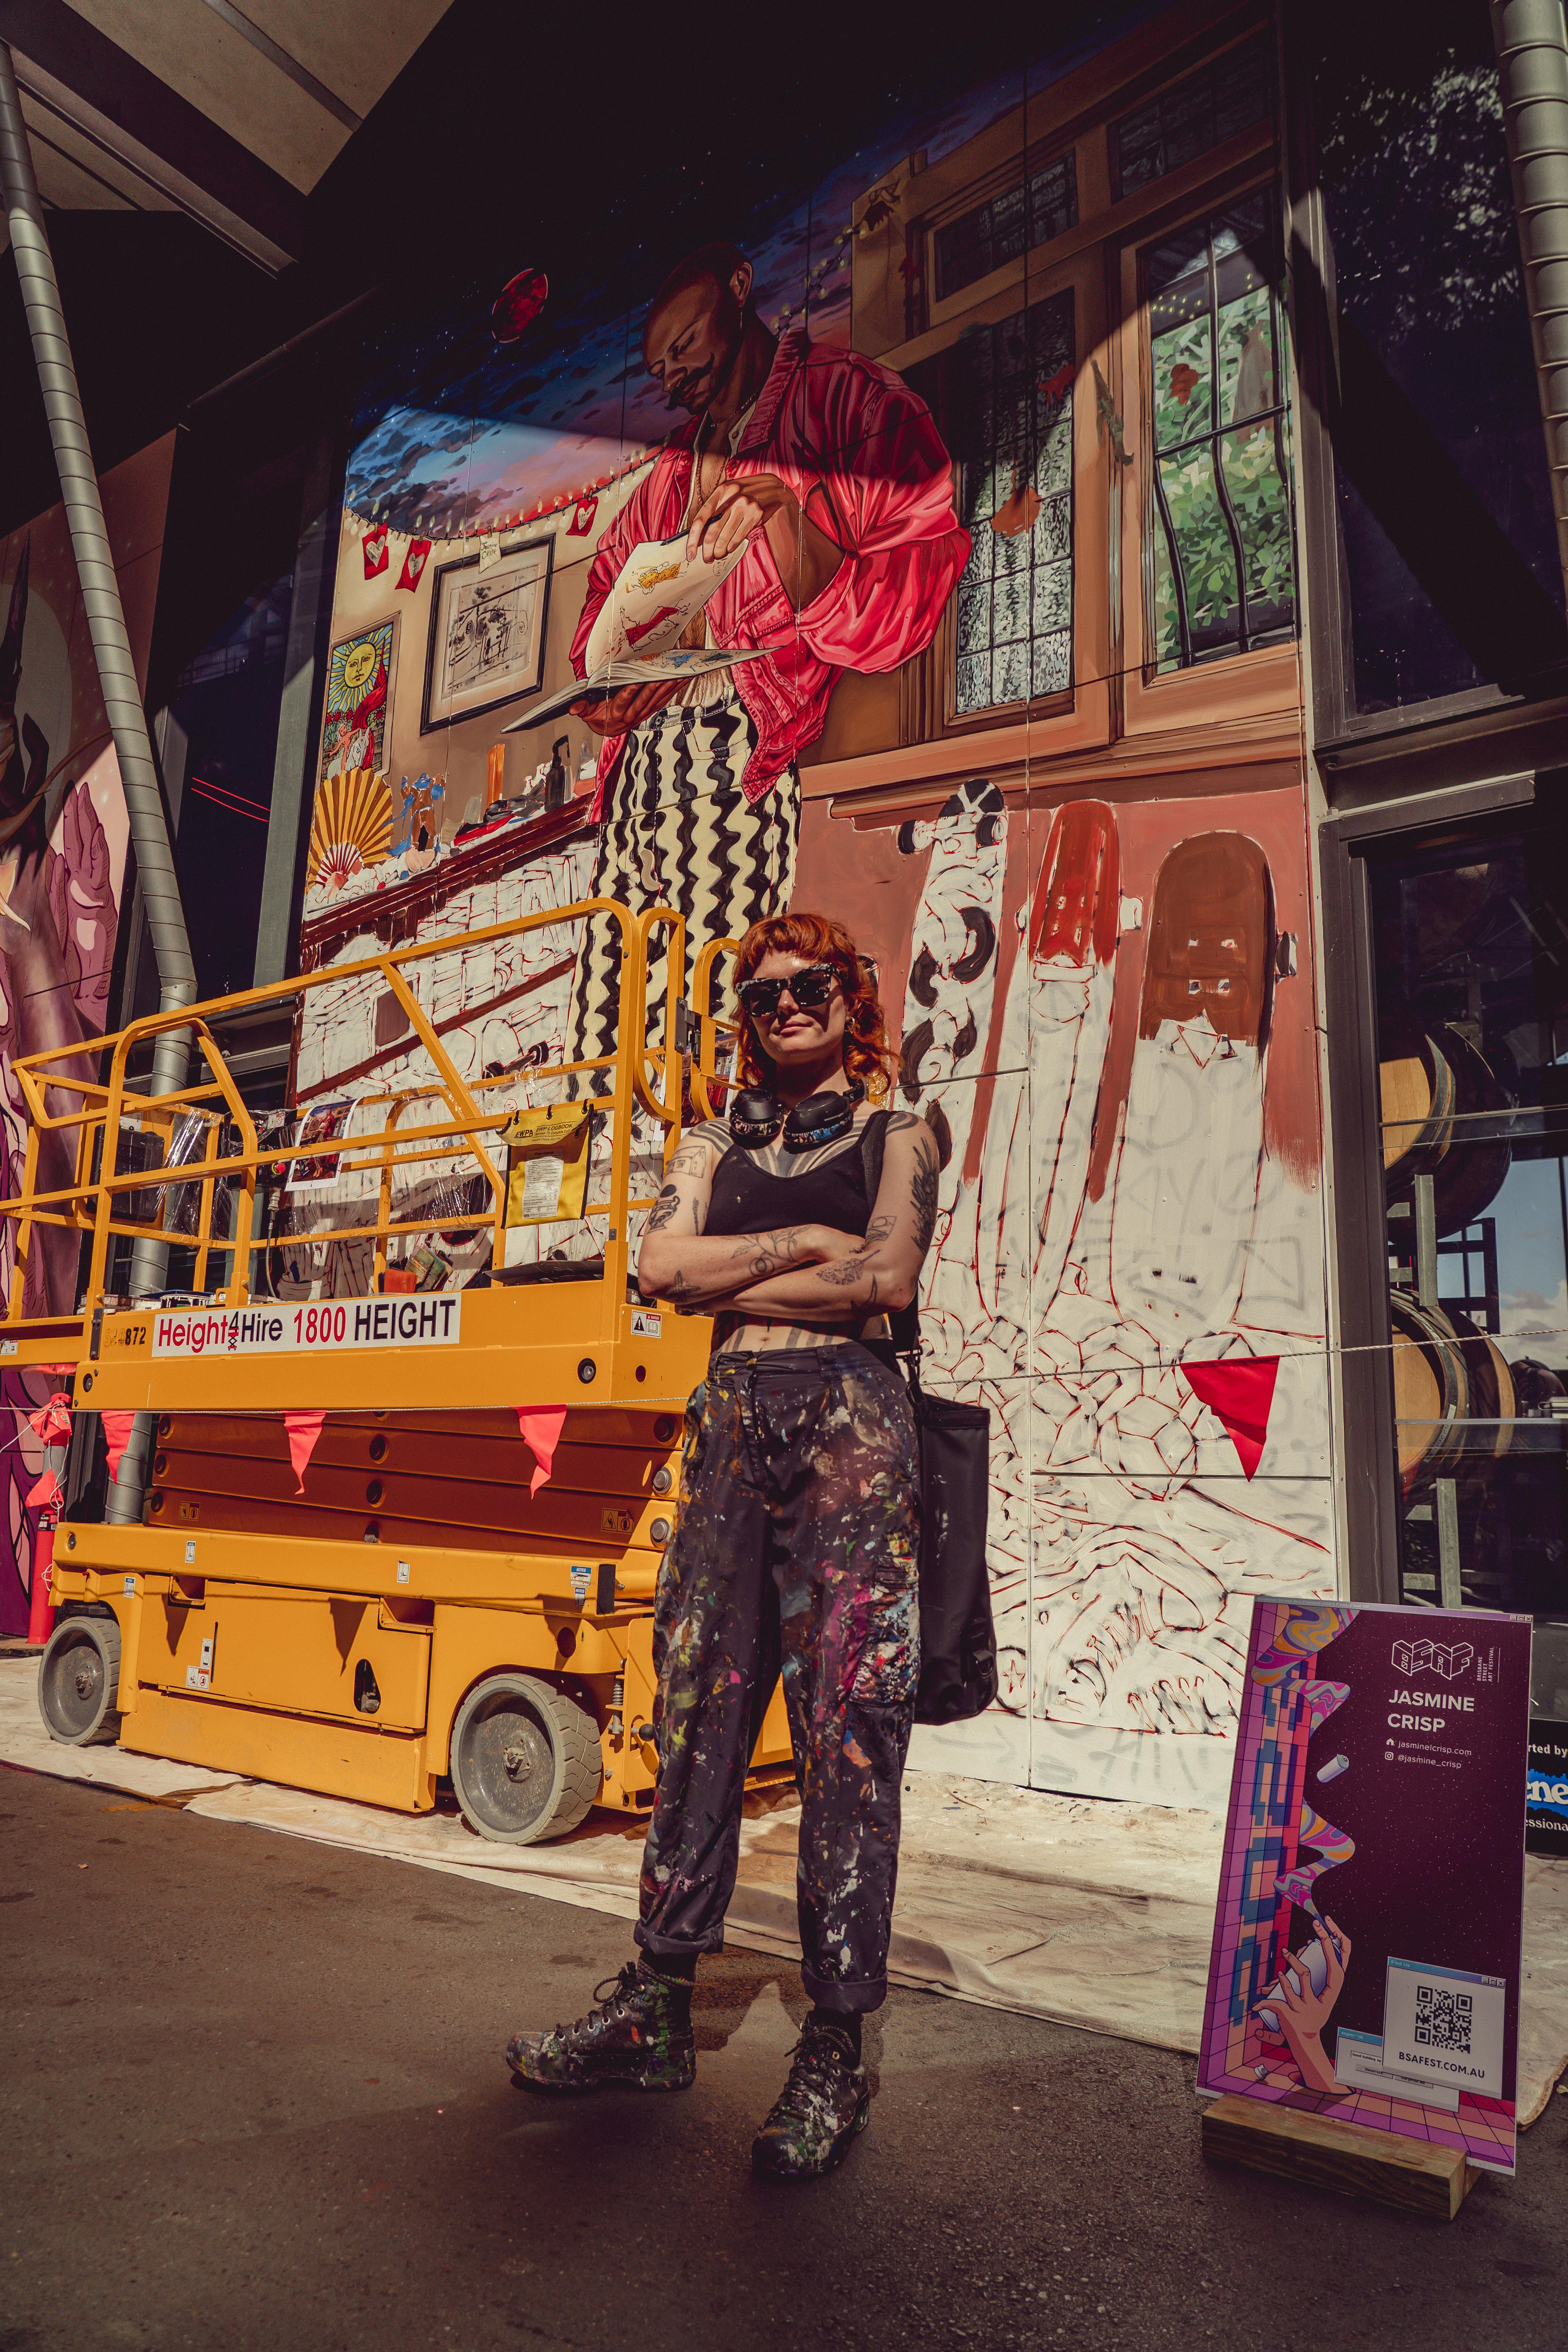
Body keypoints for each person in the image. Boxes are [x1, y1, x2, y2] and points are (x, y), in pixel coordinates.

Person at [507, 912, 940, 2180]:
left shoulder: (899, 1135)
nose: (787, 1006)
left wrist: (742, 1277)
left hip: (854, 1438)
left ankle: (836, 2043)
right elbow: (655, 1265)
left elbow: (891, 1284)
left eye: (810, 987)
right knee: (694, 1713)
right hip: (731, 1426)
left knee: (848, 1733)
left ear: (849, 1001)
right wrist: (814, 1251)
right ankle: (652, 2009)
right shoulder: (708, 1139)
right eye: (763, 996)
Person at [563, 239, 967, 1077]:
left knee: (717, 1017)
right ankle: (589, 1198)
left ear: (740, 290)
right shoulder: (667, 477)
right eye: (659, 368)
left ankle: (700, 1193)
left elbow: (906, 603)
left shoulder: (851, 403)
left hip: (737, 757)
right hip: (635, 773)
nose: (674, 376)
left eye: (684, 347)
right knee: (605, 1028)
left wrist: (788, 522)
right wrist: (603, 694)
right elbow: (601, 610)